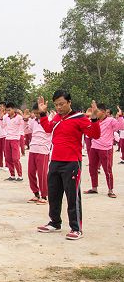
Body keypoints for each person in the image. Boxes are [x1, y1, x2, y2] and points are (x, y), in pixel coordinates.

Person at [36, 91, 100, 240]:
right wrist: (43, 114)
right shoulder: (57, 118)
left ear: (69, 102)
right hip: (55, 161)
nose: (59, 107)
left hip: (71, 162)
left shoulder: (80, 118)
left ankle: (76, 228)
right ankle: (55, 222)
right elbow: (47, 129)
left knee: (72, 196)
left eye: (62, 104)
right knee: (53, 194)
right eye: (56, 104)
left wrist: (95, 119)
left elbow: (95, 135)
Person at [84, 104, 123, 198]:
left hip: (105, 148)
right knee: (92, 168)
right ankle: (94, 188)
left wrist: (120, 116)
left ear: (104, 112)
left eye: (97, 111)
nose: (96, 113)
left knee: (107, 170)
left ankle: (110, 190)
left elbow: (121, 126)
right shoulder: (94, 120)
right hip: (94, 146)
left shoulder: (111, 120)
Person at [25, 105, 51, 205]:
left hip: (43, 150)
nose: (36, 115)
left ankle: (44, 195)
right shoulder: (33, 121)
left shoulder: (49, 120)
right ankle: (36, 193)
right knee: (31, 172)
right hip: (33, 148)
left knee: (42, 174)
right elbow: (28, 130)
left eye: (38, 113)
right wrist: (25, 120)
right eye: (35, 113)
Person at [1, 103, 24, 181]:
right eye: (7, 110)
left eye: (9, 110)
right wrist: (1, 118)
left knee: (15, 158)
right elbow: (3, 126)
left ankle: (20, 175)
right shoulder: (5, 117)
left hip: (15, 139)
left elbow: (22, 126)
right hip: (7, 138)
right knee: (8, 158)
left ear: (14, 109)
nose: (8, 111)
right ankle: (12, 175)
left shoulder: (19, 117)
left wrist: (19, 137)